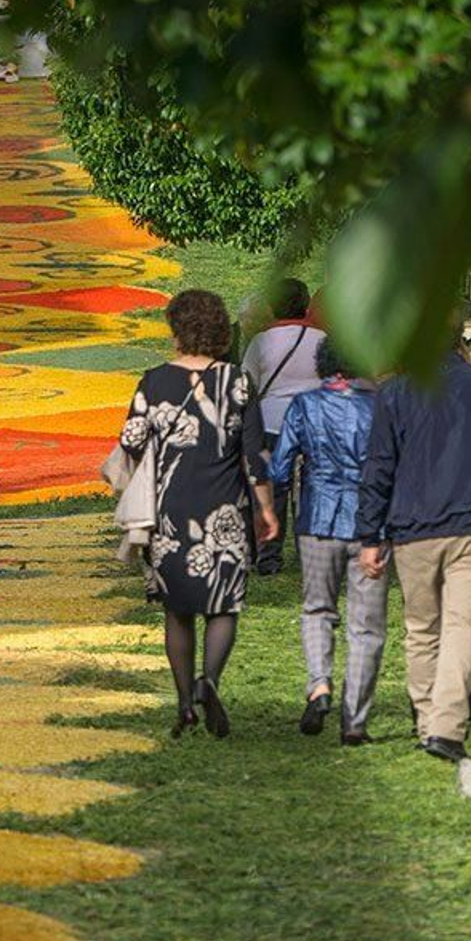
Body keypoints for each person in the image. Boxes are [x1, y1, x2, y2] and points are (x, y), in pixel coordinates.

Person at [355, 331, 471, 763]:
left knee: (422, 628)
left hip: (413, 526)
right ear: (461, 348)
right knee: (465, 625)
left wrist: (370, 535)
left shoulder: (394, 393)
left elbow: (379, 466)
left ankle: (427, 721)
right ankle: (447, 726)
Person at [118, 289, 279, 739]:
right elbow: (254, 457)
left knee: (177, 609)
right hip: (224, 508)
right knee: (224, 603)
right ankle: (210, 681)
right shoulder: (237, 383)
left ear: (176, 331)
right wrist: (266, 510)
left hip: (168, 511)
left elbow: (131, 442)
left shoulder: (153, 382)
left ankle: (185, 703)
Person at [269, 337, 387, 746]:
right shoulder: (379, 407)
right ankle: (355, 718)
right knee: (366, 626)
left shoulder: (305, 405)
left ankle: (320, 685)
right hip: (369, 524)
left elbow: (281, 466)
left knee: (317, 608)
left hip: (318, 519)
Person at [240, 277, 327, 574]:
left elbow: (246, 385)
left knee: (272, 492)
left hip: (272, 423)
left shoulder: (261, 341)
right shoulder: (322, 339)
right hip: (314, 422)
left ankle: (269, 557)